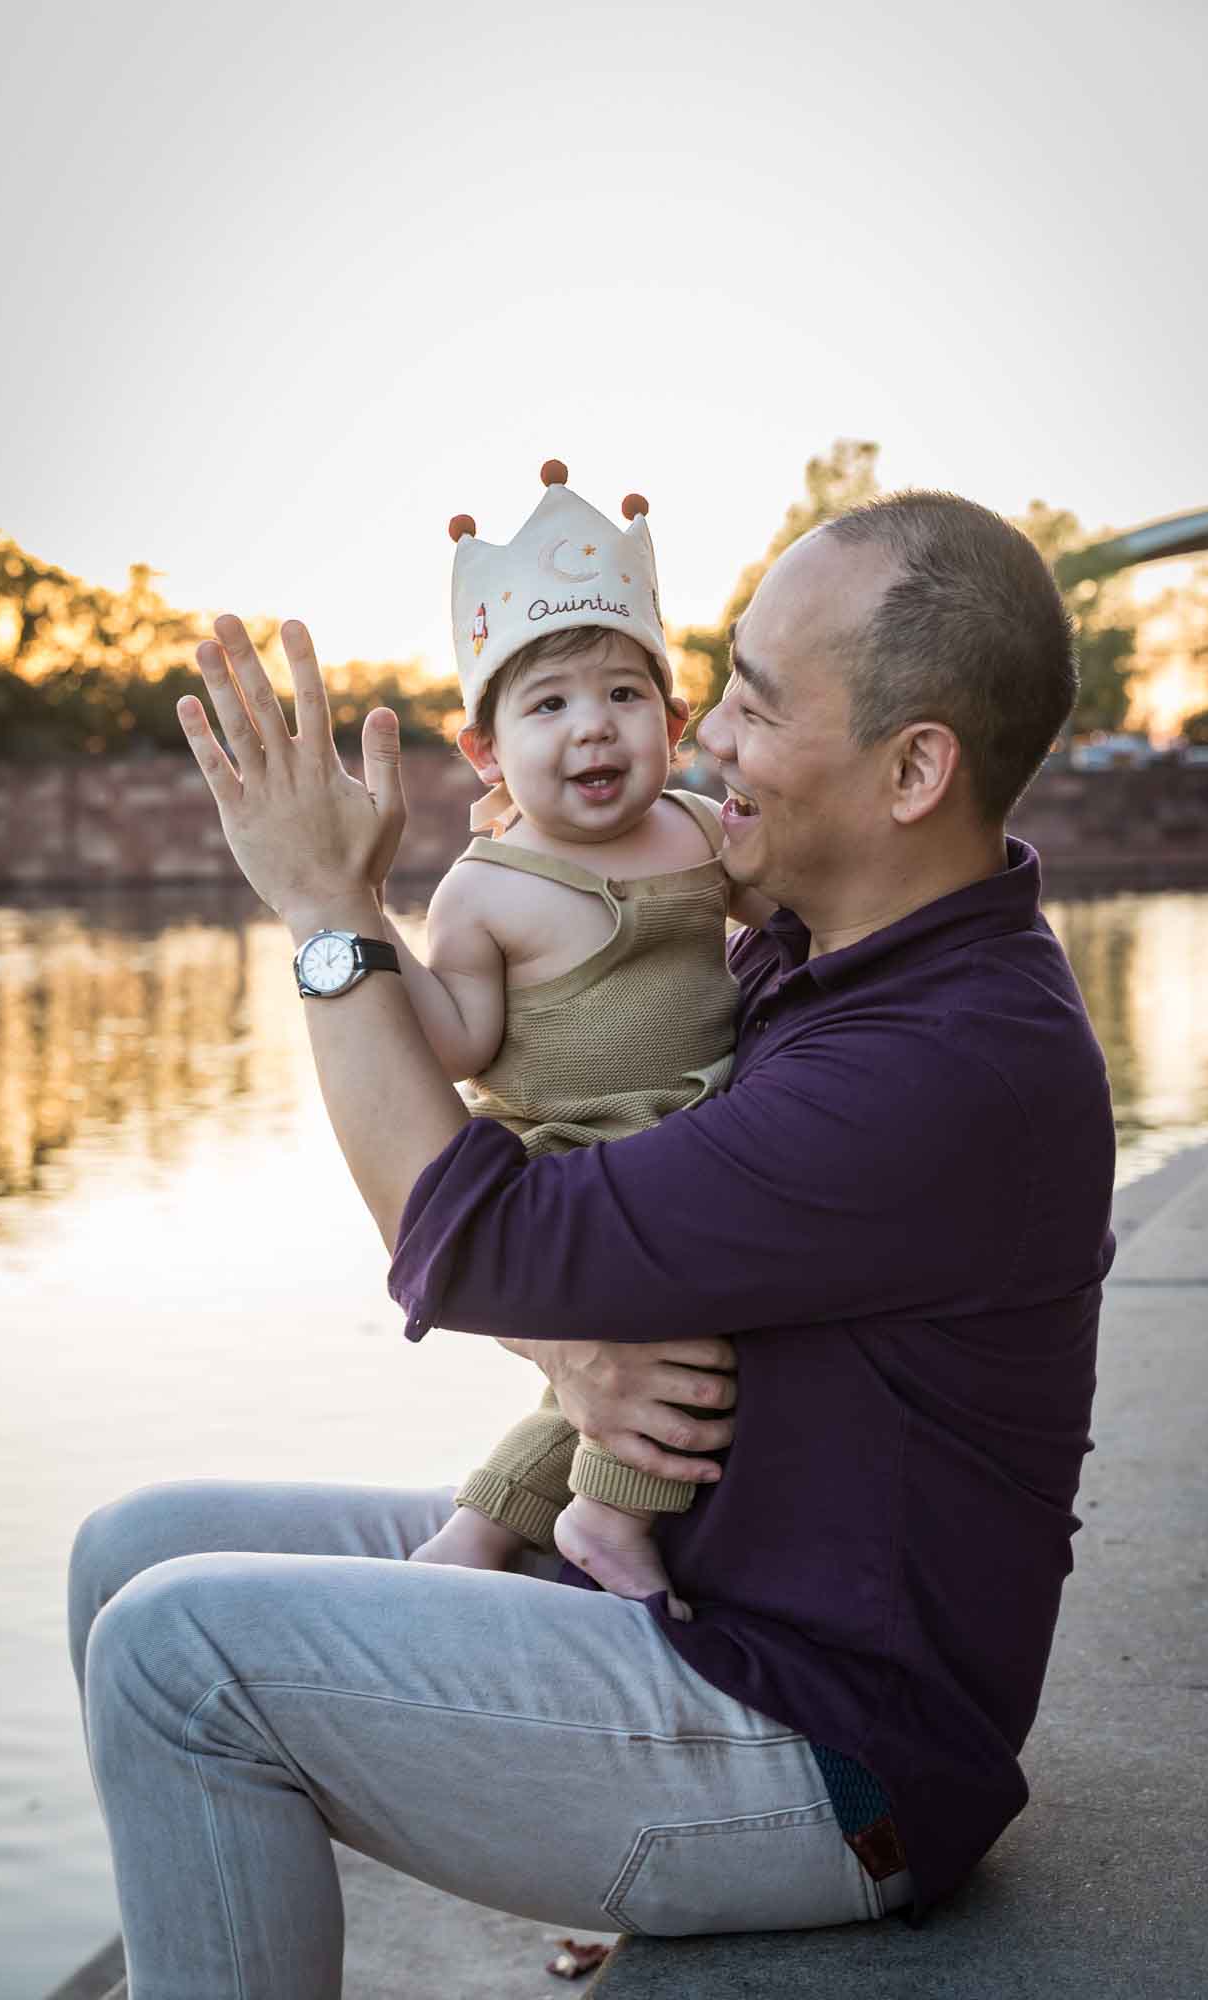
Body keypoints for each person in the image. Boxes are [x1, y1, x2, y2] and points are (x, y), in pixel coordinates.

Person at [68, 488, 1115, 1997]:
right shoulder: (825, 957)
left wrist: (323, 905)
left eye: (751, 705)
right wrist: (572, 1344)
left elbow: (479, 1239)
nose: (709, 745)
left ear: (913, 769)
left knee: (180, 1653)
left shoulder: (936, 1064)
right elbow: (570, 1230)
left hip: (819, 1743)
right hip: (687, 1583)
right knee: (132, 1553)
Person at [388, 461, 771, 1618]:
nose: (591, 727)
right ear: (487, 752)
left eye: (621, 694)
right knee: (668, 1345)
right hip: (578, 1162)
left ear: (672, 716)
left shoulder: (699, 830)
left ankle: (480, 1526)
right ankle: (607, 1514)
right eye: (547, 705)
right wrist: (369, 924)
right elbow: (456, 1040)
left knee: (604, 1382)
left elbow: (800, 913)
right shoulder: (486, 887)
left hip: (688, 1137)